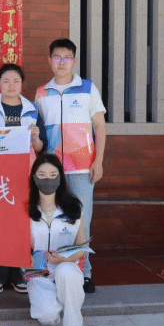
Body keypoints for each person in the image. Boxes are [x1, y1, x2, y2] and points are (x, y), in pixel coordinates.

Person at [34, 38, 106, 294]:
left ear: (74, 61)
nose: (61, 62)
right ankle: (53, 270)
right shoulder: (42, 93)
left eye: (66, 58)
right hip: (52, 170)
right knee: (53, 220)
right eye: (57, 57)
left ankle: (83, 273)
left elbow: (100, 126)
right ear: (49, 61)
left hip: (82, 168)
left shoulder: (87, 88)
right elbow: (38, 132)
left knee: (81, 220)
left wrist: (98, 161)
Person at [0, 63, 47, 295]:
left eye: (15, 81)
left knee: (22, 224)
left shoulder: (32, 109)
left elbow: (41, 147)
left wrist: (35, 138)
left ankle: (19, 274)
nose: (11, 85)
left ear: (22, 84)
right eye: (6, 81)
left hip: (23, 175)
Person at [26, 153, 87, 326]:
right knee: (47, 315)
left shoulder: (74, 207)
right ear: (34, 178)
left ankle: (73, 322)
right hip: (38, 271)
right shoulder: (25, 209)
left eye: (53, 175)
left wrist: (63, 258)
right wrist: (26, 255)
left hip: (67, 266)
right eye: (42, 175)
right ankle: (58, 299)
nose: (48, 180)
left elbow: (82, 247)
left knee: (66, 272)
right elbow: (18, 245)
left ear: (60, 178)